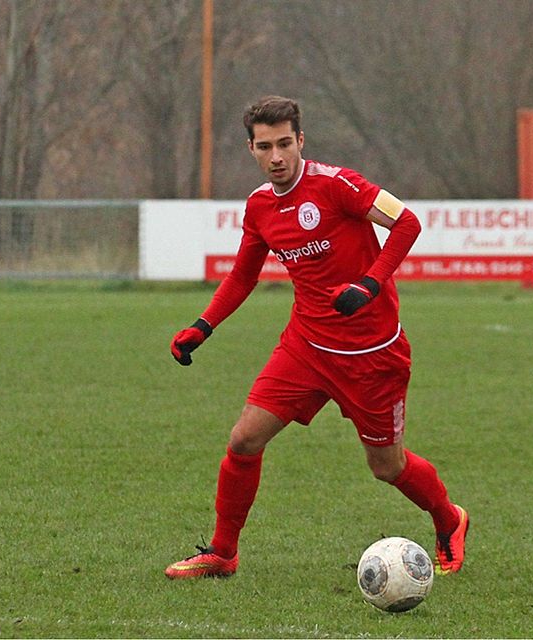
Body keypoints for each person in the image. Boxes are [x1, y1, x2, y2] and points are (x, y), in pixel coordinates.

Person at [164, 96, 468, 579]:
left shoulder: (338, 184)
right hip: (305, 348)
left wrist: (369, 285)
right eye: (265, 147)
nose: (277, 156)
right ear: (252, 149)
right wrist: (203, 326)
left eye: (285, 143)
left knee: (386, 466)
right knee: (244, 440)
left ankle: (449, 518)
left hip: (372, 355)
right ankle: (223, 553)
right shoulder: (260, 206)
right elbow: (243, 276)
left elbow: (407, 222)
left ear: (301, 140)